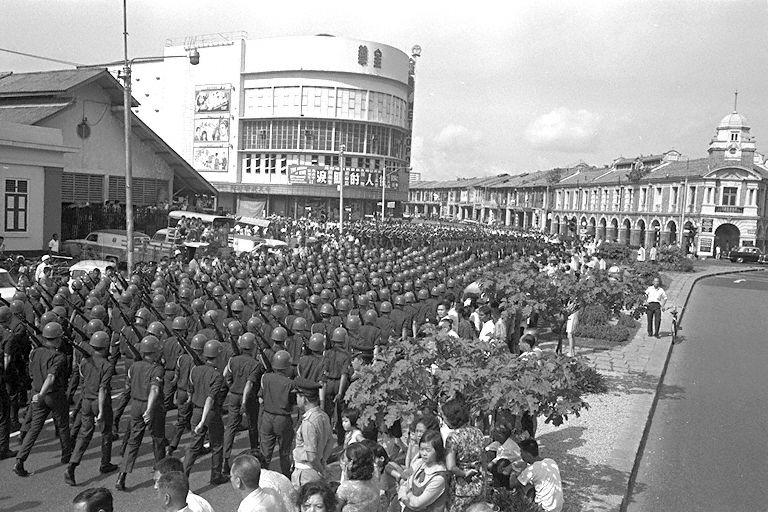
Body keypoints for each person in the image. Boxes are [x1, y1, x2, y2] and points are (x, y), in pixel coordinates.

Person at [14, 322, 72, 477]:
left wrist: (38, 393)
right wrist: (42, 393)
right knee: (63, 425)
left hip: (37, 393)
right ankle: (66, 454)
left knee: (34, 429)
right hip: (53, 394)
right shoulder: (59, 356)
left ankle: (20, 460)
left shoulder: (36, 352)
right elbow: (51, 376)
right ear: (58, 338)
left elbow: (31, 371)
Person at [115, 335, 166, 491]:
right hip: (151, 406)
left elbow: (128, 385)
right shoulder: (157, 368)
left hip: (135, 405)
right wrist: (149, 409)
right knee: (158, 440)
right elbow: (155, 389)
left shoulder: (134, 366)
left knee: (133, 441)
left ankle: (122, 475)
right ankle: (160, 474)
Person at [183, 340, 227, 485]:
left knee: (193, 447)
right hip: (210, 413)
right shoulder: (217, 376)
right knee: (217, 444)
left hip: (196, 410)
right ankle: (216, 475)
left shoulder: (195, 370)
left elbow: (190, 389)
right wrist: (203, 421)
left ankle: (183, 478)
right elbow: (210, 399)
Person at [443, 396, 486, 511]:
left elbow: (451, 466)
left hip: (460, 489)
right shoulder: (478, 433)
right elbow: (484, 460)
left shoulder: (453, 437)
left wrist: (464, 473)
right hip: (478, 485)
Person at [291, 379, 334, 487]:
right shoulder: (323, 415)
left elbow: (311, 456)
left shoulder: (308, 422)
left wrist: (320, 470)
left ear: (304, 399)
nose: (296, 399)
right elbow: (330, 441)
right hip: (316, 467)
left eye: (297, 396)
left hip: (306, 472)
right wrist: (323, 461)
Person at [397, 430, 450, 512]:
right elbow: (405, 484)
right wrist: (405, 494)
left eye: (428, 450)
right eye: (422, 449)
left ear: (437, 451)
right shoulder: (419, 464)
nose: (424, 453)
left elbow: (416, 504)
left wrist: (405, 495)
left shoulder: (439, 477)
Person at [515, 439, 563, 512]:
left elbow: (513, 483)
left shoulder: (532, 469)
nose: (520, 455)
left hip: (544, 508)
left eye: (521, 452)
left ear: (528, 454)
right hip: (558, 506)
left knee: (522, 486)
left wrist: (515, 470)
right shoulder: (551, 461)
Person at [336, 442, 380, 512]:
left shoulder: (346, 488)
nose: (342, 462)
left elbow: (335, 509)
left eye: (344, 459)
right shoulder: (375, 480)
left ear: (351, 463)